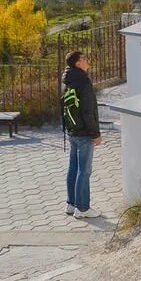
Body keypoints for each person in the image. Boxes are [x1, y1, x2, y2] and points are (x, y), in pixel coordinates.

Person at [61, 50, 102, 219]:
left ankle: (71, 204)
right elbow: (87, 111)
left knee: (73, 169)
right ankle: (82, 208)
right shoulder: (84, 82)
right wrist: (95, 133)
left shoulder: (67, 79)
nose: (87, 60)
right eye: (84, 58)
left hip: (72, 130)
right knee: (84, 171)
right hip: (85, 133)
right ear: (78, 63)